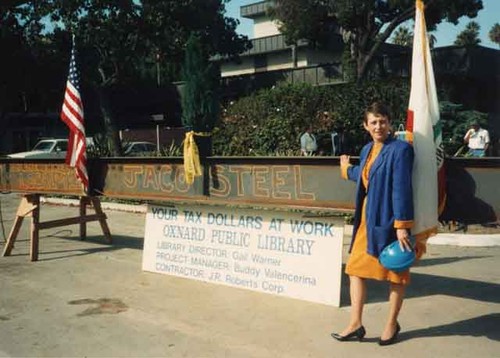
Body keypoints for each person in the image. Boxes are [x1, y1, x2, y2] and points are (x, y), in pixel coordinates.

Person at [331, 102, 421, 346]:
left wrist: (402, 224)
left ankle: (391, 323)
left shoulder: (401, 150)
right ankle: (355, 323)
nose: (378, 126)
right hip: (367, 219)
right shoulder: (367, 149)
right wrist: (346, 170)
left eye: (383, 121)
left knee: (396, 272)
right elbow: (366, 173)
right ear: (366, 126)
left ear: (390, 123)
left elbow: (401, 187)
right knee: (354, 269)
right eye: (374, 122)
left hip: (391, 219)